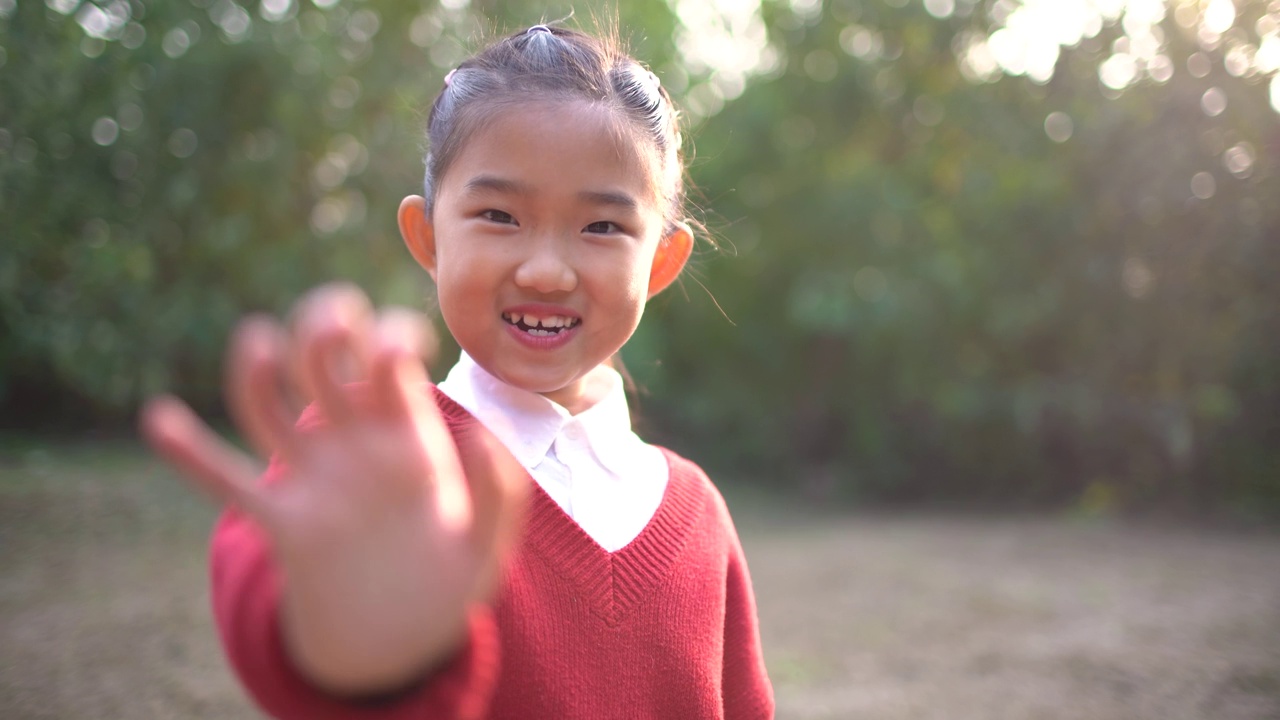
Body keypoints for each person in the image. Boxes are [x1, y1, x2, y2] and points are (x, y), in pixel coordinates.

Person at [141, 23, 774, 720]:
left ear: (660, 262)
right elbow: (274, 594)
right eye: (499, 215)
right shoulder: (374, 453)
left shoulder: (698, 511)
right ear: (428, 238)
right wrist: (357, 647)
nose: (545, 270)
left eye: (601, 227)